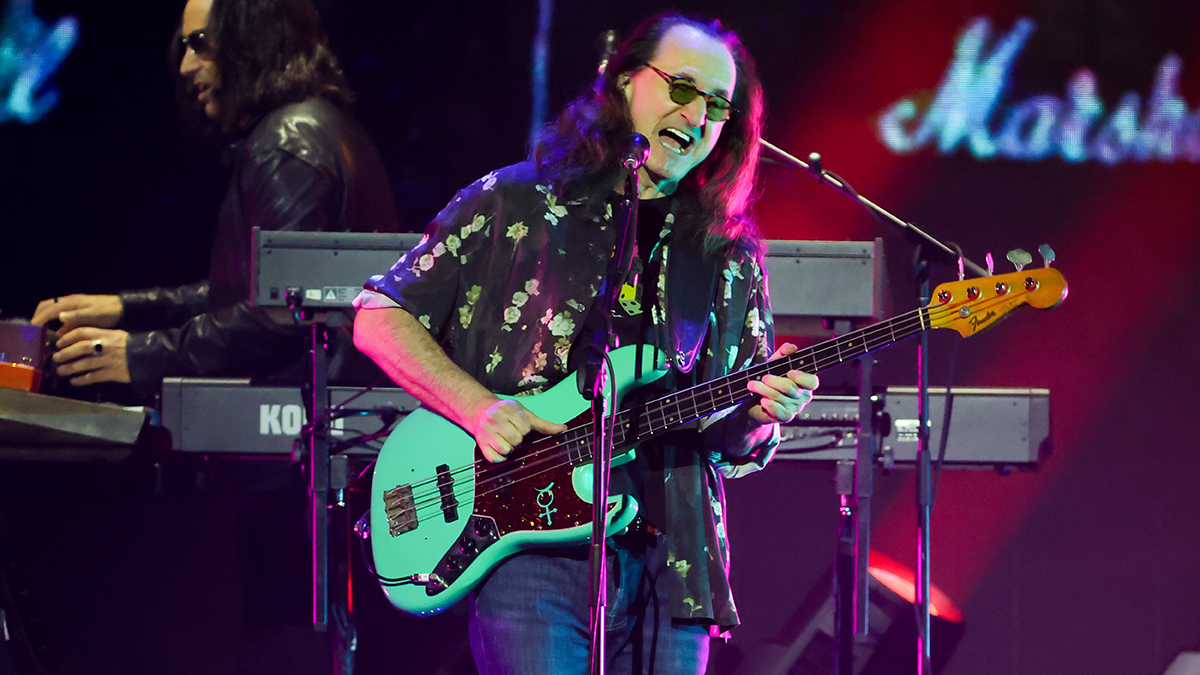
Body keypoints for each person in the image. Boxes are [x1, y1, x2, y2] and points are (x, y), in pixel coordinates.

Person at [353, 12, 818, 674]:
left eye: (717, 105)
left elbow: (731, 442)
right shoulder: (514, 202)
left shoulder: (727, 253)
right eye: (681, 87)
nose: (696, 115)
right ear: (624, 80)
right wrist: (480, 408)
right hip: (529, 554)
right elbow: (379, 315)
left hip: (672, 565)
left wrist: (762, 414)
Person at [30, 0, 400, 400]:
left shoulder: (285, 141)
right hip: (342, 407)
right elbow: (253, 293)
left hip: (310, 420)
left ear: (252, 39)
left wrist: (140, 353)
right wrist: (126, 308)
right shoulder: (321, 124)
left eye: (200, 43)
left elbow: (282, 314)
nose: (186, 66)